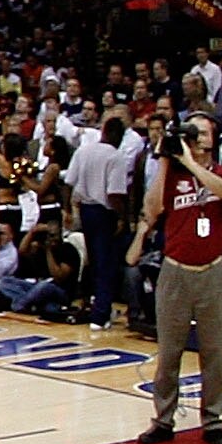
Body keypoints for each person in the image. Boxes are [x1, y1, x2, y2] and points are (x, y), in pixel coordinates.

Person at [131, 113, 222, 442]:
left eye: (203, 132)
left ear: (212, 139)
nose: (197, 136)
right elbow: (152, 210)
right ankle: (163, 420)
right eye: (193, 131)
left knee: (214, 353)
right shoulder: (171, 174)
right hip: (175, 271)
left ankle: (213, 420)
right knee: (169, 352)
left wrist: (190, 163)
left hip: (212, 271)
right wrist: (165, 159)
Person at [65, 105, 142, 326]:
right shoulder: (115, 156)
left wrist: (67, 209)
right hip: (104, 213)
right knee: (106, 264)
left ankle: (91, 306)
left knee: (93, 261)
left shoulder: (84, 151)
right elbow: (115, 194)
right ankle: (101, 315)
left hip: (86, 211)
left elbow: (69, 183)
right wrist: (122, 218)